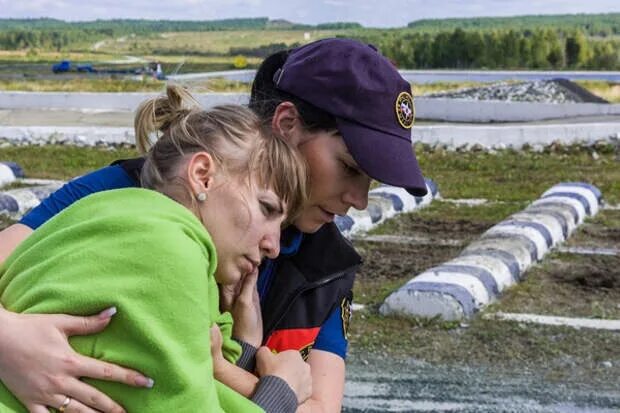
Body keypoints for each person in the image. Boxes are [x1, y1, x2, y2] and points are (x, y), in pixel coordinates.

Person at [0, 38, 427, 413]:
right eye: (350, 167)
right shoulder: (131, 195)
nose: (359, 198)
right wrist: (11, 346)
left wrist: (232, 363)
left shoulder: (326, 269)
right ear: (287, 125)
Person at [0, 86, 312, 412]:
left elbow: (180, 385)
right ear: (202, 176)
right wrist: (282, 392)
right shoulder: (168, 252)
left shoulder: (102, 216)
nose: (273, 246)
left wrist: (242, 350)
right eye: (266, 208)